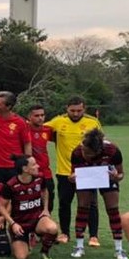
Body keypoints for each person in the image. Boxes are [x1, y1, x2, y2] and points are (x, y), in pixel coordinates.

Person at [46, 96, 102, 245]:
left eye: (79, 110)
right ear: (67, 109)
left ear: (84, 109)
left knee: (90, 203)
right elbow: (40, 130)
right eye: (72, 111)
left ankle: (93, 235)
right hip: (65, 171)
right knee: (65, 203)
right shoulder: (58, 121)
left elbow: (100, 145)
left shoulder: (92, 122)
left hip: (87, 171)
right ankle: (64, 233)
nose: (76, 114)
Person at [69, 129, 126, 259]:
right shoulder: (77, 152)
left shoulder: (112, 150)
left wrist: (116, 176)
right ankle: (79, 246)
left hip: (107, 178)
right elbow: (72, 174)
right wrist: (71, 178)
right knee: (83, 207)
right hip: (87, 177)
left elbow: (121, 174)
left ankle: (119, 249)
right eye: (83, 149)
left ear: (98, 151)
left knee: (113, 209)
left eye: (88, 153)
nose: (84, 154)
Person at [0, 155, 59, 259]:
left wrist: (45, 209)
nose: (38, 166)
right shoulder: (10, 185)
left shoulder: (40, 178)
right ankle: (17, 236)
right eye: (34, 164)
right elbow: (1, 206)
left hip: (37, 219)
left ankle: (44, 252)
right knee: (21, 257)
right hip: (20, 223)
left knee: (53, 228)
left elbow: (45, 191)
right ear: (25, 169)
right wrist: (12, 224)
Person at [0, 91, 31, 184]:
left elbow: (27, 143)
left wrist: (28, 163)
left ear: (8, 107)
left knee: (15, 195)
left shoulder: (20, 122)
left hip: (14, 167)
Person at [26, 104, 54, 214]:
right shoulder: (24, 129)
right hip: (29, 173)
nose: (40, 118)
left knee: (48, 203)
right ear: (29, 117)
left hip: (46, 173)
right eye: (36, 115)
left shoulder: (48, 130)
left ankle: (46, 227)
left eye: (42, 115)